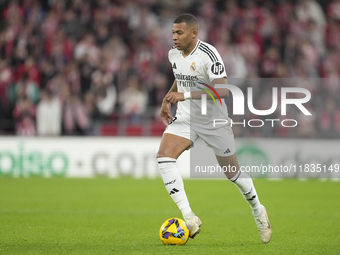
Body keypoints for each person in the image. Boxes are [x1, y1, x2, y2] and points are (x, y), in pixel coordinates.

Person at [156, 14, 272, 243]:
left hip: (214, 123)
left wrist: (184, 95)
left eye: (179, 33)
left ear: (194, 33)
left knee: (234, 175)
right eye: (172, 32)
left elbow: (223, 90)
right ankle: (189, 217)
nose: (174, 37)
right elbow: (180, 77)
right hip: (187, 119)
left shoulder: (209, 54)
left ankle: (258, 210)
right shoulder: (173, 53)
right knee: (164, 158)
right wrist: (167, 99)